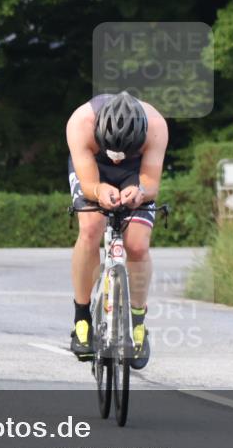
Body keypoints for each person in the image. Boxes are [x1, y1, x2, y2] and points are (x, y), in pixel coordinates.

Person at [66, 92, 168, 370]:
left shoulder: (156, 125)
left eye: (125, 150)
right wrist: (99, 190)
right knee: (90, 228)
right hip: (93, 169)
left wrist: (141, 191)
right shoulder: (81, 123)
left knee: (137, 245)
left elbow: (151, 182)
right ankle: (82, 318)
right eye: (113, 150)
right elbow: (89, 184)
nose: (117, 158)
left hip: (137, 173)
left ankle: (137, 323)